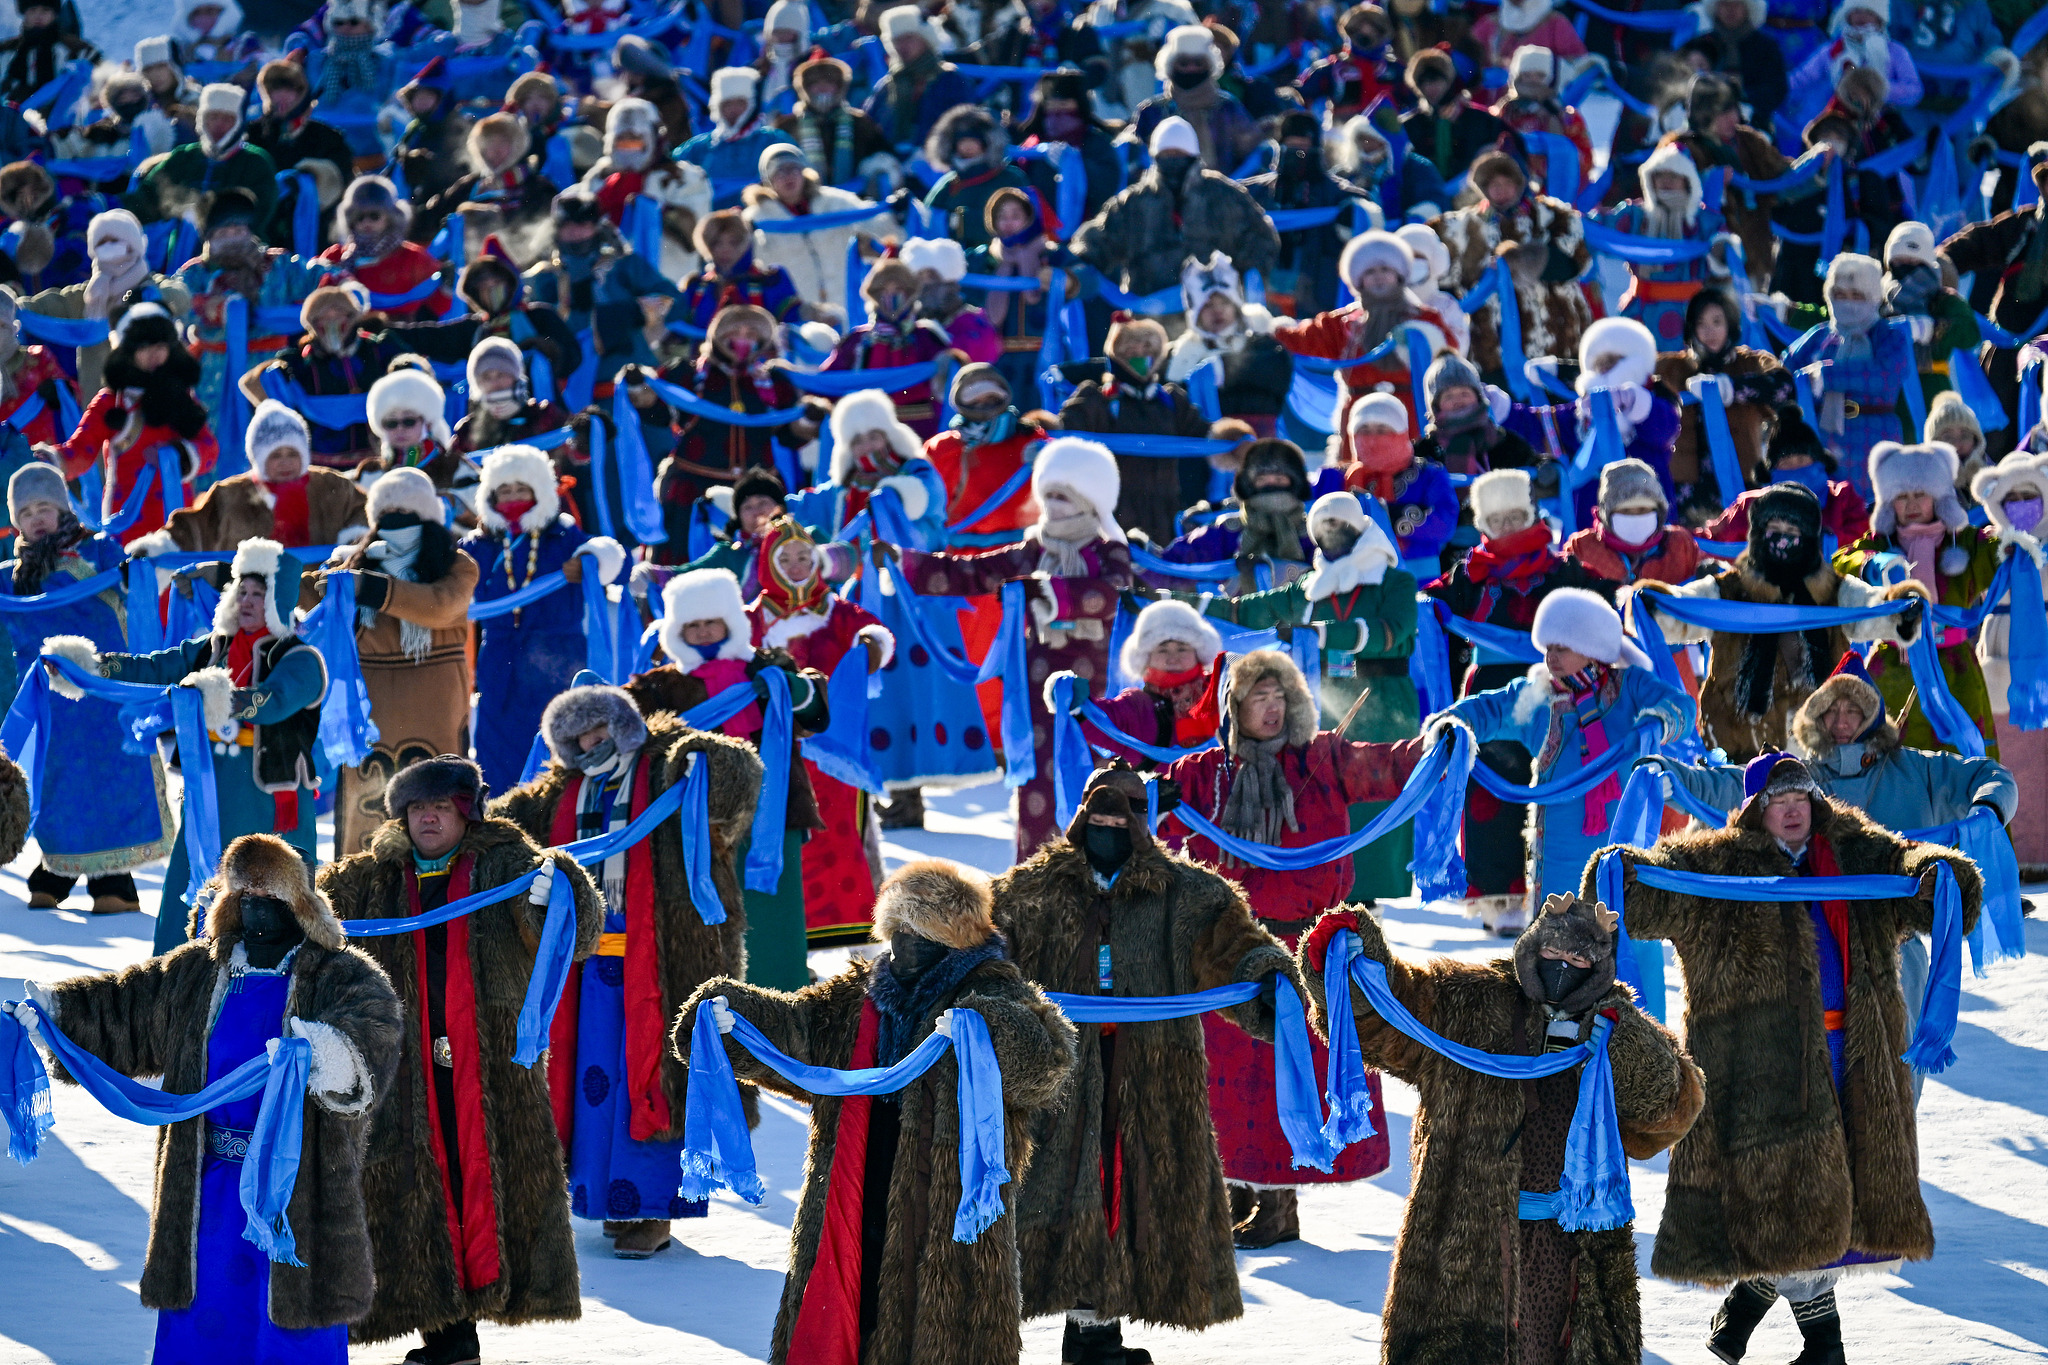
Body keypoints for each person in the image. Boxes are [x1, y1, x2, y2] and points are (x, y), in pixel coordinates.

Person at [1593, 753, 1978, 1365]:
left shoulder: (1855, 853)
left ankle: (1757, 1320)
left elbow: (1913, 878)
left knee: (1821, 1202)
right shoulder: (1717, 865)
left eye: (1801, 795)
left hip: (1852, 1061)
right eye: (1778, 798)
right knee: (1786, 1200)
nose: (1793, 807)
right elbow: (1647, 898)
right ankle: (1812, 1342)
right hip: (1758, 1067)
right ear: (1755, 810)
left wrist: (1937, 872)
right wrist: (1622, 868)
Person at [672, 859, 1078, 1365]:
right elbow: (801, 1033)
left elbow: (1049, 1061)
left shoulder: (994, 990)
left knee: (938, 1331)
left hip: (945, 1203)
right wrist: (735, 1018)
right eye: (897, 930)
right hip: (855, 1177)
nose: (904, 943)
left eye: (919, 930)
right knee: (851, 1313)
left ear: (950, 937)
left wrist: (989, 1030)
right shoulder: (859, 995)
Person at [17, 834, 402, 1364]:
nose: (257, 911)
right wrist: (55, 1013)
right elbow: (126, 1007)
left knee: (288, 1332)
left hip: (297, 1193)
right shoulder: (199, 972)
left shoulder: (339, 975)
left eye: (270, 899)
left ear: (300, 906)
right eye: (246, 898)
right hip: (205, 1189)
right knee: (206, 1326)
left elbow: (373, 1033)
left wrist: (326, 1052)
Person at [1295, 892, 1703, 1365]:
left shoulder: (1610, 1026)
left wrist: (1619, 1035)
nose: (1564, 966)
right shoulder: (1469, 1003)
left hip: (1571, 1251)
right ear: (1532, 946)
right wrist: (1356, 964)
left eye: (1579, 959)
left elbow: (1667, 1110)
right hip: (1466, 1246)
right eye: (1554, 952)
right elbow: (1396, 1018)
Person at [992, 764, 1302, 1365]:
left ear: (1148, 818)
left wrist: (1266, 977)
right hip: (1058, 1080)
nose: (1111, 826)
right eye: (1099, 814)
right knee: (1058, 1199)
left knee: (1128, 1199)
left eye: (1127, 813)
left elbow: (1235, 947)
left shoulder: (1188, 895)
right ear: (1078, 815)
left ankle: (1094, 1337)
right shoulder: (1029, 892)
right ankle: (1060, 1335)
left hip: (1155, 1079)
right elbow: (985, 956)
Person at [317, 754, 603, 1364]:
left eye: (439, 808)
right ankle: (448, 1336)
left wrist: (566, 893)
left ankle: (462, 1329)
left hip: (492, 1068)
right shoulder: (370, 879)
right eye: (417, 808)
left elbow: (574, 939)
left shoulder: (509, 865)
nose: (426, 819)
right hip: (403, 1070)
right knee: (417, 1193)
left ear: (465, 813)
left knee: (487, 1189)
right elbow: (307, 916)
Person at [1155, 650, 1431, 1241]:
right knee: (1223, 1077)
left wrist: (1438, 743)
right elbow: (1148, 805)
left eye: (1280, 696)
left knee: (1287, 1074)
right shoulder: (1203, 774)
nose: (1272, 707)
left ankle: (1279, 1206)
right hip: (1225, 949)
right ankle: (1231, 1193)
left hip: (1304, 950)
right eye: (1258, 696)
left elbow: (1389, 765)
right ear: (1234, 706)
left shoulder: (1325, 760)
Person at [490, 682, 761, 1257]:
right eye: (577, 738)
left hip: (663, 958)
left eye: (600, 730)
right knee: (593, 1085)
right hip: (588, 965)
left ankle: (652, 1209)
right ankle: (604, 1198)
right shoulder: (560, 794)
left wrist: (707, 758)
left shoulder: (668, 769)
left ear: (625, 726)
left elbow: (737, 783)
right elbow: (499, 833)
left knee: (655, 1077)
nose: (591, 744)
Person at [56, 539, 327, 953]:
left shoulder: (302, 659)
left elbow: (273, 702)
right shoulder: (211, 650)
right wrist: (91, 667)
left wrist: (222, 697)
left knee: (272, 911)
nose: (248, 601)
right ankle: (170, 983)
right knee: (188, 897)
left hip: (269, 809)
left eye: (260, 594)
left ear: (278, 602)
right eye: (242, 590)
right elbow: (153, 668)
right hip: (208, 801)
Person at [890, 435, 1136, 857]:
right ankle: (1035, 878)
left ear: (1090, 499)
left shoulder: (1109, 550)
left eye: (1065, 496)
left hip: (1094, 686)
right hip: (1037, 688)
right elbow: (974, 573)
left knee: (1094, 775)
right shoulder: (1033, 549)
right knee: (1037, 781)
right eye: (1049, 495)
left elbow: (1112, 594)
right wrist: (903, 563)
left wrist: (1050, 593)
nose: (1054, 505)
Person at [1427, 469, 1615, 932]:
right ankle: (1500, 894)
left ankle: (1570, 885)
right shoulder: (1471, 573)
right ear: (1484, 523)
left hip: (1560, 686)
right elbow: (1434, 603)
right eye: (1498, 519)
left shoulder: (1561, 569)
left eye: (1517, 515)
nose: (1509, 527)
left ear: (1530, 513)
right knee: (1491, 784)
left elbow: (1602, 599)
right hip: (1492, 686)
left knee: (1558, 778)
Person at [627, 568, 829, 991]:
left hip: (774, 812)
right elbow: (633, 741)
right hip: (697, 821)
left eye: (711, 621)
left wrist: (789, 686)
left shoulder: (767, 667)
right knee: (707, 917)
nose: (702, 632)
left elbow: (815, 716)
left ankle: (785, 997)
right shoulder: (660, 685)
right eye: (692, 624)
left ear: (730, 621)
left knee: (773, 916)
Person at [1635, 479, 1927, 761]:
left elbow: (1870, 610)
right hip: (1738, 745)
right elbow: (1686, 610)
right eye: (1774, 528)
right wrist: (1656, 606)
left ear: (1810, 537)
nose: (1783, 537)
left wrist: (1900, 612)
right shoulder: (1730, 590)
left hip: (1822, 746)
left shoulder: (1833, 590)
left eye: (1793, 529)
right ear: (1758, 534)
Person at [1443, 587, 1696, 905]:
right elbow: (1487, 709)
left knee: (1622, 935)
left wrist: (1657, 721)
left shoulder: (1632, 687)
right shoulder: (1538, 696)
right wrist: (1450, 724)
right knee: (1558, 939)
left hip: (1622, 856)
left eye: (1562, 647)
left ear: (1592, 648)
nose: (1551, 657)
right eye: (1549, 647)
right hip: (1557, 864)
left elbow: (1681, 707)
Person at [2, 463, 169, 915]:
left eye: (46, 508)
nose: (37, 518)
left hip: (104, 694)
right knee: (58, 783)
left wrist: (142, 568)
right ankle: (56, 869)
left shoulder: (97, 553)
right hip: (51, 706)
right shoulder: (11, 576)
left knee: (113, 780)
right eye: (27, 511)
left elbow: (137, 585)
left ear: (64, 510)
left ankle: (113, 882)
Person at [306, 468, 481, 855]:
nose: (397, 522)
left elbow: (441, 606)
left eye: (408, 512)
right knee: (366, 811)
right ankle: (363, 899)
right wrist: (228, 576)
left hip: (434, 702)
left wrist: (369, 587)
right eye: (388, 513)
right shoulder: (352, 563)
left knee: (438, 800)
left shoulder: (457, 563)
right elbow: (299, 594)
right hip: (371, 704)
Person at [747, 515, 894, 945]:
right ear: (767, 565)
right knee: (783, 831)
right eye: (785, 558)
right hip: (773, 749)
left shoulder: (839, 613)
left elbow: (879, 634)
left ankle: (856, 930)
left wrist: (871, 647)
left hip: (837, 753)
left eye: (804, 557)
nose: (796, 566)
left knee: (842, 832)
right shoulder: (752, 620)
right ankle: (787, 934)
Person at [461, 444, 627, 795]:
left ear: (540, 492)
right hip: (500, 660)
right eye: (505, 490)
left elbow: (616, 561)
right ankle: (501, 818)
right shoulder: (482, 544)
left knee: (561, 742)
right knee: (498, 751)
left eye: (522, 489)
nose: (513, 497)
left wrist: (590, 560)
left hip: (558, 660)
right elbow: (445, 569)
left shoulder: (563, 536)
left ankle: (562, 816)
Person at [1832, 439, 2001, 756]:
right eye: (1901, 496)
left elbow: (1996, 556)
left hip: (1955, 668)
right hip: (1894, 666)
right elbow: (1842, 562)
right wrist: (1873, 565)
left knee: (1963, 757)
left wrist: (2005, 544)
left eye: (1920, 494)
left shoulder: (1965, 542)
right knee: (1892, 754)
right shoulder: (1880, 543)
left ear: (1939, 497)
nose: (1911, 504)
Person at [640, 305, 824, 541]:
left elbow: (789, 436)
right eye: (735, 333)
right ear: (718, 338)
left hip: (757, 494)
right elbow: (660, 415)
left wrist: (809, 420)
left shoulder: (774, 381)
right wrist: (642, 391)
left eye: (750, 335)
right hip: (694, 488)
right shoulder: (690, 374)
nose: (742, 340)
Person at [46, 301, 215, 548]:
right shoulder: (111, 402)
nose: (153, 354)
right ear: (127, 350)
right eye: (144, 347)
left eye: (160, 346)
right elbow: (81, 451)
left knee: (178, 584)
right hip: (126, 519)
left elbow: (210, 449)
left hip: (178, 516)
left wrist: (177, 454)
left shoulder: (182, 396)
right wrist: (50, 459)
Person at [1068, 116, 1281, 305]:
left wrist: (1242, 281)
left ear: (1193, 156)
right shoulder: (1134, 203)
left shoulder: (1222, 195)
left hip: (1214, 314)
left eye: (1179, 154)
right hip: (1150, 316)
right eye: (1166, 154)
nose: (1173, 160)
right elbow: (1099, 242)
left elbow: (1261, 239)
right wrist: (1072, 263)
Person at [1434, 150, 1592, 388]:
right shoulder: (1461, 228)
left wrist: (1522, 261)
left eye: (1507, 183)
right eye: (1494, 184)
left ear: (1520, 182)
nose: (1501, 190)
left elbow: (1574, 264)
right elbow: (1440, 277)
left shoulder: (1553, 216)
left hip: (1557, 340)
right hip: (1492, 350)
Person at [1057, 314, 1218, 545]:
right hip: (1114, 508)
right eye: (1132, 351)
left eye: (1148, 350)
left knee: (1166, 574)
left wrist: (1233, 439)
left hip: (1166, 511)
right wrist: (1039, 431)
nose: (1141, 356)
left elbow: (1206, 433)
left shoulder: (1170, 401)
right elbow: (1065, 427)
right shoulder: (1099, 399)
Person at [128, 400, 368, 556]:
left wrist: (355, 543)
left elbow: (362, 513)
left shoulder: (331, 486)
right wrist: (158, 548)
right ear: (259, 458)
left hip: (318, 594)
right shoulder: (229, 494)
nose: (285, 462)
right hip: (247, 601)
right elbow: (193, 528)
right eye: (276, 455)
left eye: (292, 454)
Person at [173, 189, 327, 423]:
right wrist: (217, 308)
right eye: (225, 232)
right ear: (209, 237)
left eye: (239, 230)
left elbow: (318, 276)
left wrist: (340, 280)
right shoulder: (195, 273)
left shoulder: (278, 264)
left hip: (270, 367)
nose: (234, 238)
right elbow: (178, 302)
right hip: (214, 373)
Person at [1653, 284, 1795, 522]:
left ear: (1729, 324)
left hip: (1742, 483)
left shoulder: (1751, 361)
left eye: (1717, 322)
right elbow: (1634, 381)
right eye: (1701, 323)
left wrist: (1731, 388)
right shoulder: (1671, 367)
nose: (1710, 331)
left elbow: (1784, 386)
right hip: (1685, 489)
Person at [1782, 252, 1914, 507]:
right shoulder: (1820, 335)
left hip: (1875, 436)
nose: (1848, 303)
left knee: (1873, 511)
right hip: (1821, 438)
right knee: (1824, 509)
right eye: (1840, 295)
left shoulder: (1888, 336)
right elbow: (1785, 371)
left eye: (1858, 296)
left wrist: (1827, 376)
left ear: (1874, 297)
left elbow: (1885, 377)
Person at [1936, 152, 2048, 452]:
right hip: (2007, 351)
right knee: (1997, 438)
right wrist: (1939, 268)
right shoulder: (2023, 226)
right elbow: (1975, 244)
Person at [21, 207, 192, 400]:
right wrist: (10, 304)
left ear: (134, 245)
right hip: (98, 401)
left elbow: (180, 297)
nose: (109, 248)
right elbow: (45, 305)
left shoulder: (151, 285)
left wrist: (149, 298)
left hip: (152, 398)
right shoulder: (88, 294)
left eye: (116, 241)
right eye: (102, 243)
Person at [1971, 454, 2048, 877]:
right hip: (1999, 663)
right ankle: (2017, 859)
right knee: (2012, 764)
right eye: (2012, 496)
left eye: (2030, 494)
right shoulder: (1987, 548)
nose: (2021, 503)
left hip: (2043, 666)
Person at [525, 188, 683, 379]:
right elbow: (526, 325)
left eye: (583, 224)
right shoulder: (542, 278)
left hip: (631, 378)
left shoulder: (624, 266)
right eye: (567, 225)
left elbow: (678, 303)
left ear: (597, 227)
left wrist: (635, 311)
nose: (575, 232)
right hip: (567, 382)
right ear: (556, 230)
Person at [1661, 74, 1795, 294]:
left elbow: (1787, 178)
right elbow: (1666, 197)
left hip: (1755, 262)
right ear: (1704, 114)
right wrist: (1708, 182)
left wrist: (1818, 161)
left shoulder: (1749, 142)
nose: (1733, 118)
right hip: (1704, 268)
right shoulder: (1681, 149)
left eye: (1733, 109)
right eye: (1723, 112)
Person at [743, 143, 897, 328]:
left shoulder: (836, 203)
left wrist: (898, 212)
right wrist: (745, 232)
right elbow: (745, 260)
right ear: (768, 180)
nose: (788, 176)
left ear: (803, 171)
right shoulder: (756, 219)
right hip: (798, 315)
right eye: (779, 171)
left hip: (848, 305)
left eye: (793, 168)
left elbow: (878, 225)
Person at [1148, 437, 1314, 594]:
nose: (1271, 486)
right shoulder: (1227, 531)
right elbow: (1175, 568)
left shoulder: (1314, 533)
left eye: (1279, 479)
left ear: (1296, 483)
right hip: (1238, 622)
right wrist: (1143, 552)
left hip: (1304, 622)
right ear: (1248, 485)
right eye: (1262, 479)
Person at [1605, 143, 1733, 346]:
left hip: (1689, 315)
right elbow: (1602, 229)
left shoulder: (1704, 221)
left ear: (1687, 180)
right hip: (1640, 310)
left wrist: (1721, 250)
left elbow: (1727, 252)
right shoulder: (1635, 216)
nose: (1666, 181)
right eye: (1660, 175)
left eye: (1673, 176)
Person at [820, 254, 958, 441]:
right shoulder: (858, 340)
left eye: (899, 289)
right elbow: (829, 381)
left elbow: (952, 379)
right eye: (884, 290)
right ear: (874, 295)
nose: (892, 296)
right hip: (870, 433)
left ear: (911, 293)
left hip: (923, 430)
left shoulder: (927, 336)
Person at [1569, 316, 1683, 529]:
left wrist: (1631, 399)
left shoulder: (1654, 401)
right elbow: (1542, 425)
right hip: (1590, 516)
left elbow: (1665, 429)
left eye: (1611, 362)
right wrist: (1504, 409)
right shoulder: (1582, 412)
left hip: (1644, 507)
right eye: (1599, 364)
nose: (1605, 370)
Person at [1702, 406, 1872, 547]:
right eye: (1786, 462)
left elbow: (1863, 536)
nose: (1795, 467)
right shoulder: (1751, 504)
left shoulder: (1841, 497)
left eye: (1801, 459)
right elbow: (1716, 539)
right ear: (1772, 468)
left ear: (1818, 460)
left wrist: (1822, 542)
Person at [1166, 252, 1293, 440]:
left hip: (1260, 440)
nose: (1218, 311)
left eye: (1224, 302)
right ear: (1195, 313)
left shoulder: (1263, 343)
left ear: (1236, 305)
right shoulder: (1182, 357)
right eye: (1208, 305)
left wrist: (1222, 368)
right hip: (1207, 450)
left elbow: (1276, 374)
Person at [921, 362, 1047, 548]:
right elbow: (923, 505)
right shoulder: (941, 447)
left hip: (1025, 551)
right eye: (975, 399)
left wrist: (1048, 457)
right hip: (962, 558)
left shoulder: (1030, 438)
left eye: (991, 397)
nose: (984, 404)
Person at [1084, 597, 1225, 763]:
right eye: (1162, 650)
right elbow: (1094, 720)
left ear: (1199, 652)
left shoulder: (1222, 690)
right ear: (1146, 658)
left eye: (1182, 649)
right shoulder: (1135, 707)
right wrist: (1072, 698)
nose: (1173, 659)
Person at [1342, 393, 1459, 579]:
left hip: (1418, 581)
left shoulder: (1429, 474)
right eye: (1363, 430)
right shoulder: (1341, 479)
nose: (1372, 439)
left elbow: (1445, 524)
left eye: (1382, 430)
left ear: (1401, 433)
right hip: (1356, 582)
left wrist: (1385, 514)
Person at [412, 111, 560, 252]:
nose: (494, 150)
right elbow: (429, 218)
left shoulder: (537, 188)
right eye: (488, 143)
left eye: (502, 143)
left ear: (517, 145)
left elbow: (547, 232)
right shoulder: (468, 185)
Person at [314, 176, 454, 324]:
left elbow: (440, 308)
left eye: (374, 215)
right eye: (359, 216)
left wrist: (446, 285)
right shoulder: (336, 257)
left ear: (390, 216)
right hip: (347, 338)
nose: (366, 222)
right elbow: (313, 298)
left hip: (399, 339)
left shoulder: (411, 257)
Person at [1129, 24, 1264, 175]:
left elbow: (1250, 153)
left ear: (1209, 65)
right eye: (1184, 63)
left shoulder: (1227, 107)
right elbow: (1137, 158)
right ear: (1171, 66)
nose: (1191, 69)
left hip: (1222, 193)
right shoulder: (1151, 111)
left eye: (1198, 63)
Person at [1565, 457, 1705, 595]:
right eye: (1625, 511)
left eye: (1643, 510)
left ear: (1659, 513)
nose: (1635, 518)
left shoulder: (1679, 546)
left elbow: (1715, 556)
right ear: (1606, 516)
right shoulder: (1582, 548)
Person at [358, 360, 475, 523]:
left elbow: (481, 510)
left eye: (409, 421)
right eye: (391, 423)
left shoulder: (453, 465)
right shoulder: (370, 473)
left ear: (427, 423)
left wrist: (451, 503)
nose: (400, 429)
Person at [1880, 221, 1981, 409]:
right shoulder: (1879, 299)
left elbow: (1971, 334)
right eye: (1900, 261)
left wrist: (1932, 328)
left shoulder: (1943, 299)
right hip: (1889, 392)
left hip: (1933, 392)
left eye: (1913, 262)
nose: (1906, 267)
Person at [770, 56, 901, 195]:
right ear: (805, 89)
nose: (823, 88)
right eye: (815, 83)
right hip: (804, 199)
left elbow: (882, 156)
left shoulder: (860, 122)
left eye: (829, 83)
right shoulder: (787, 125)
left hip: (855, 198)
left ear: (840, 87)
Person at [864, 5, 980, 154]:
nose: (902, 46)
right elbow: (868, 125)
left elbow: (966, 126)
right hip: (892, 161)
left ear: (926, 38)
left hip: (940, 160)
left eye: (909, 38)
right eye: (896, 40)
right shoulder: (888, 84)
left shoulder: (951, 80)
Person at [679, 67, 797, 213]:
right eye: (727, 104)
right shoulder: (698, 147)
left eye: (740, 103)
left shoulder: (774, 140)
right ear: (717, 106)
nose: (733, 109)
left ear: (751, 104)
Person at [675, 207, 804, 338]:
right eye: (717, 243)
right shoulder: (694, 286)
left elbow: (792, 330)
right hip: (704, 357)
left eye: (734, 242)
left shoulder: (773, 280)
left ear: (746, 244)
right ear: (707, 245)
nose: (725, 249)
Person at [919, 106, 1028, 254]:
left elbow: (1022, 220)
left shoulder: (1010, 178)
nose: (968, 146)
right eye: (962, 141)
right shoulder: (950, 183)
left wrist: (960, 221)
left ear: (987, 142)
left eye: (974, 140)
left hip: (1003, 255)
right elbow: (927, 217)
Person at [1490, 47, 1595, 200]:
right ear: (1517, 77)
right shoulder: (1505, 111)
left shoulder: (1566, 116)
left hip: (1555, 195)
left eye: (1540, 75)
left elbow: (1586, 162)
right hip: (1510, 190)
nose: (1533, 81)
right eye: (1527, 75)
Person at [447, 335, 570, 461]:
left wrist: (583, 429)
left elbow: (574, 453)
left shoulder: (543, 415)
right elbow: (449, 472)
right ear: (477, 384)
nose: (495, 382)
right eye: (487, 377)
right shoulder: (468, 431)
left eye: (501, 374)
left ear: (516, 375)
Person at [1400, 49, 1507, 188]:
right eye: (1425, 82)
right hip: (1424, 195)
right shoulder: (1409, 124)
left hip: (1471, 191)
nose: (1431, 87)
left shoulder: (1482, 120)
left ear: (1449, 81)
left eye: (1437, 80)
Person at [1685, 0, 1788, 130]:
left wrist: (1741, 94)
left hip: (1755, 126)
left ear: (1749, 8)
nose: (1730, 10)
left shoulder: (1766, 46)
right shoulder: (1700, 45)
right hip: (1706, 127)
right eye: (1725, 4)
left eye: (1736, 4)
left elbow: (1777, 89)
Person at [902, 236, 1001, 368]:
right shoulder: (911, 323)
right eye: (919, 281)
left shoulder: (975, 324)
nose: (924, 292)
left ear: (952, 286)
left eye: (932, 282)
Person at [1470, 0, 1586, 69]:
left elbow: (1578, 64)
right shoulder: (1490, 23)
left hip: (1537, 102)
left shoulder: (1556, 24)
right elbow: (1467, 54)